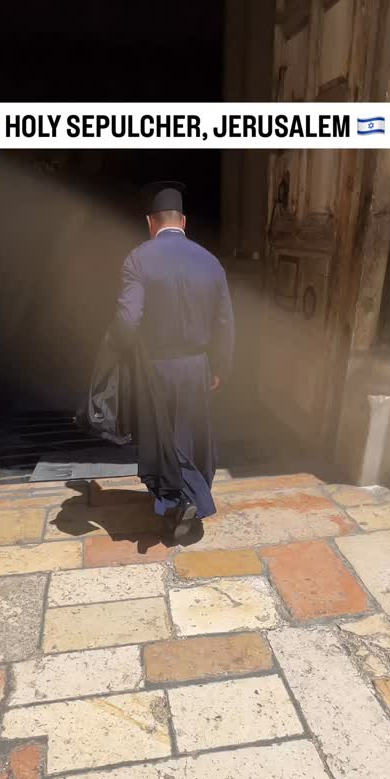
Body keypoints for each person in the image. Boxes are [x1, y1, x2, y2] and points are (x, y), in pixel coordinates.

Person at [109, 180, 235, 540]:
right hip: (197, 366)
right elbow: (225, 323)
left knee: (161, 440)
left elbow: (127, 320)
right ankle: (186, 500)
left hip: (155, 367)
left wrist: (123, 355)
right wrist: (219, 367)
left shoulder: (138, 259)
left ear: (151, 222)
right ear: (184, 221)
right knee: (192, 437)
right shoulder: (210, 262)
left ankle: (184, 499)